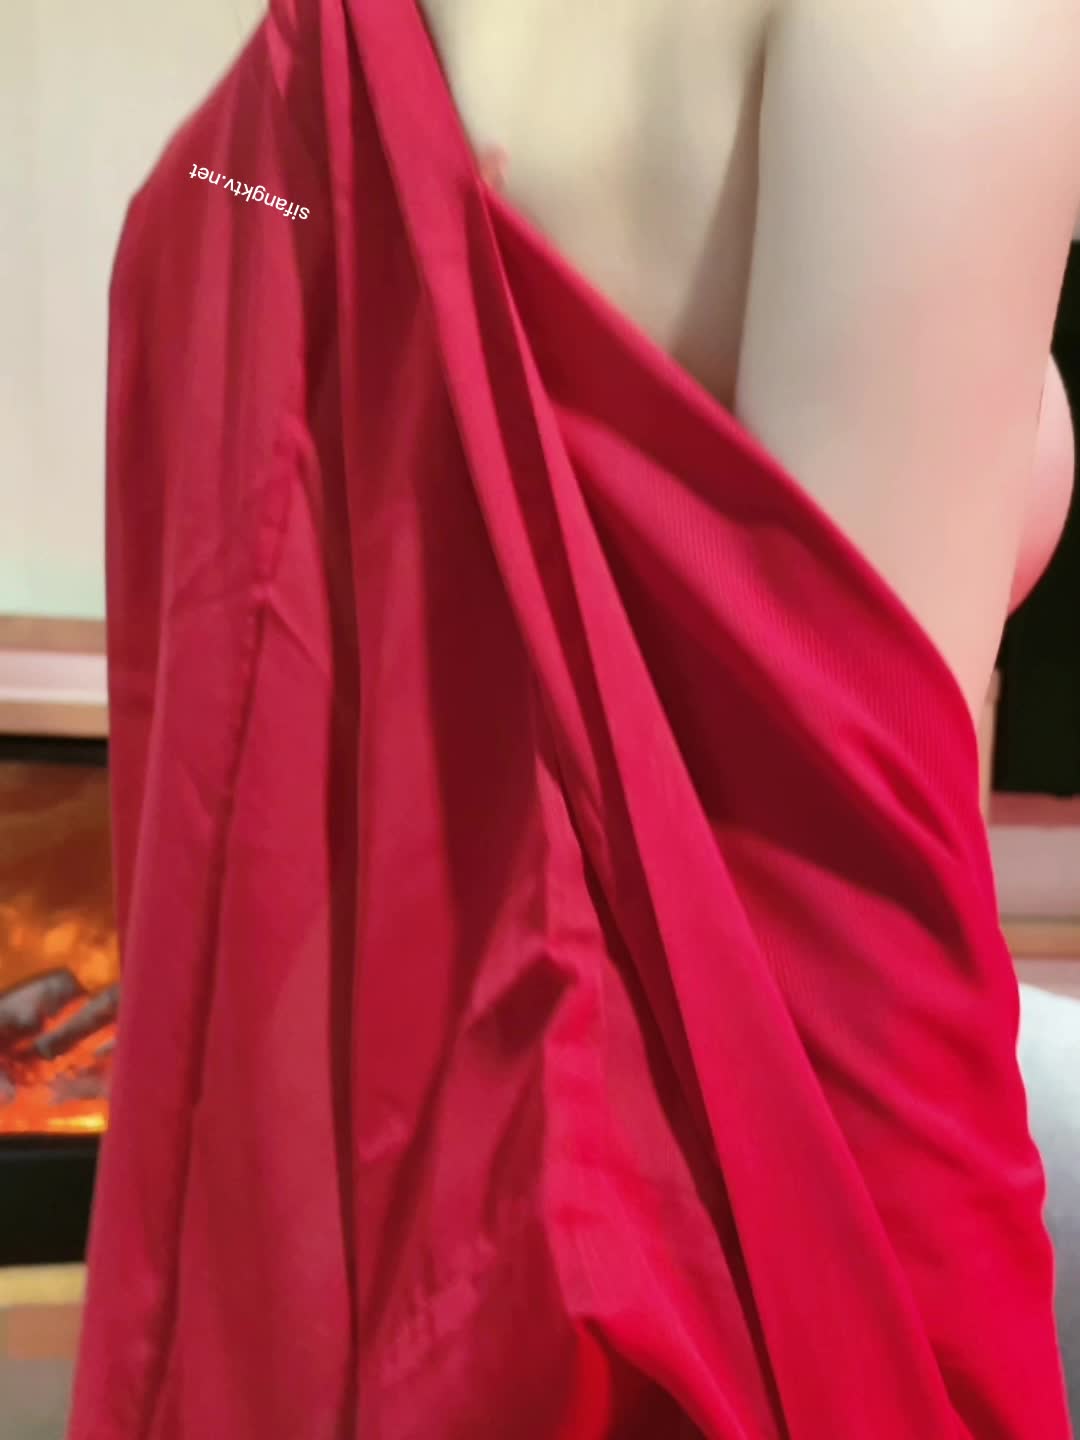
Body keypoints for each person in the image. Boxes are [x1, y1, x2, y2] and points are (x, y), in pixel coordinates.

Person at [68, 1, 1080, 1436]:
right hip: (666, 1272)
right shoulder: (940, 25)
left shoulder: (256, 126)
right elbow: (850, 931)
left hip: (338, 1227)